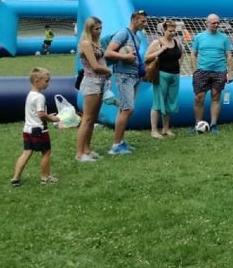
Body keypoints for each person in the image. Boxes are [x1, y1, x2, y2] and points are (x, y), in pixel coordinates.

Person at [105, 9, 148, 155]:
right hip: (124, 76)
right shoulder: (123, 33)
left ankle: (121, 141)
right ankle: (116, 146)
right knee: (127, 109)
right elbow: (109, 52)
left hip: (134, 75)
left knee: (125, 109)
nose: (145, 24)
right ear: (134, 19)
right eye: (142, 21)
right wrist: (125, 57)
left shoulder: (137, 37)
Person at [11, 67, 60, 186]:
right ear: (37, 81)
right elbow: (40, 114)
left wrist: (46, 115)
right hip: (39, 130)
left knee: (26, 152)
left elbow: (35, 113)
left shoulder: (30, 94)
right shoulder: (40, 97)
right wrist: (51, 118)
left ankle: (15, 178)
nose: (48, 84)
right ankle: (45, 177)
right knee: (46, 152)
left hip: (27, 129)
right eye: (46, 81)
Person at [75, 17, 113, 162]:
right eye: (96, 29)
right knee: (87, 118)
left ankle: (87, 149)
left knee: (93, 118)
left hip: (100, 81)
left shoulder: (96, 43)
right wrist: (108, 71)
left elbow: (101, 61)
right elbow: (95, 66)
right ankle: (79, 153)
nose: (99, 31)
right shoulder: (85, 43)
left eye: (100, 28)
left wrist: (106, 76)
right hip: (91, 82)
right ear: (89, 29)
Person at [191, 13, 233, 134]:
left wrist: (230, 73)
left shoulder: (224, 38)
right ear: (207, 23)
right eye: (213, 23)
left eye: (217, 23)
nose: (216, 25)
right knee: (199, 97)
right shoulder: (199, 37)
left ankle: (213, 124)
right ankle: (198, 124)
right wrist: (194, 70)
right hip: (202, 71)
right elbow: (193, 54)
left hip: (219, 71)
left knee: (216, 96)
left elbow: (229, 56)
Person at [144, 19, 183, 138]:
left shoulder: (177, 42)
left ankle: (166, 128)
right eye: (170, 31)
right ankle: (154, 130)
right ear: (164, 30)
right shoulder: (157, 42)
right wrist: (160, 51)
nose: (172, 33)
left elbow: (181, 54)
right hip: (162, 75)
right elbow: (146, 57)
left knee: (170, 103)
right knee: (158, 102)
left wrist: (179, 65)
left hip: (174, 75)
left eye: (174, 31)